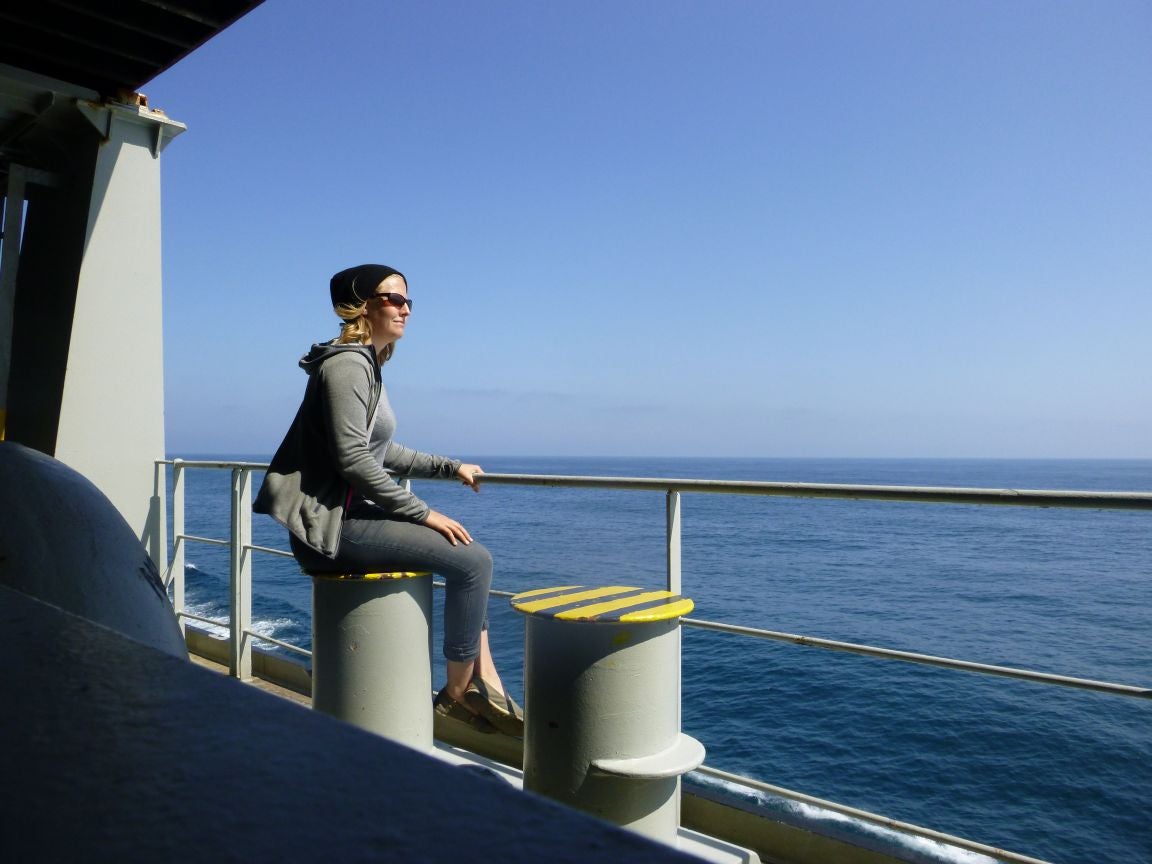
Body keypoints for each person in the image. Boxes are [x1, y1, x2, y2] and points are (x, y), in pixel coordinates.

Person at [254, 263, 522, 736]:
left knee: (468, 555)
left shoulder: (367, 364)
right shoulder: (347, 364)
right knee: (473, 561)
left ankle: (483, 679)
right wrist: (423, 512)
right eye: (392, 299)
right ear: (361, 306)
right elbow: (353, 459)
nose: (404, 309)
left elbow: (383, 451)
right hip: (332, 528)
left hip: (350, 517)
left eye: (407, 301)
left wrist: (448, 466)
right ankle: (459, 694)